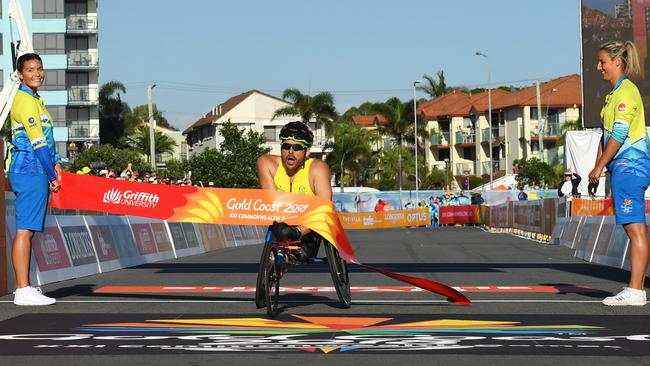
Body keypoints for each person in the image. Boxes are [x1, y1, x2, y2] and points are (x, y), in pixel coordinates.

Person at [588, 41, 650, 306]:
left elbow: (620, 133)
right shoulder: (613, 94)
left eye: (602, 61)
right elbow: (606, 135)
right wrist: (598, 168)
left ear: (617, 62)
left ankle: (636, 290)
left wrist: (600, 166)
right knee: (632, 228)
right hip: (622, 167)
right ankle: (635, 288)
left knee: (636, 229)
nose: (598, 66)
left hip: (630, 166)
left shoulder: (626, 92)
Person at [5, 53, 61, 306]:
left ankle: (25, 287)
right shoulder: (24, 100)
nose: (36, 73)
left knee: (28, 230)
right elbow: (38, 142)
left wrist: (57, 162)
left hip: (37, 169)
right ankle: (22, 290)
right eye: (30, 69)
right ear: (20, 74)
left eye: (39, 68)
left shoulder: (37, 100)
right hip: (29, 169)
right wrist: (51, 173)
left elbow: (49, 140)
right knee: (25, 230)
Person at [257, 121, 332, 263]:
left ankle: (293, 254)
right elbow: (271, 202)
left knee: (302, 247)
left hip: (309, 227)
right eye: (286, 146)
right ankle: (280, 257)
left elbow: (324, 208)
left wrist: (299, 231)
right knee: (281, 230)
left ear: (307, 152)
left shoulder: (317, 168)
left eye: (297, 147)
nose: (290, 151)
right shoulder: (267, 164)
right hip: (281, 222)